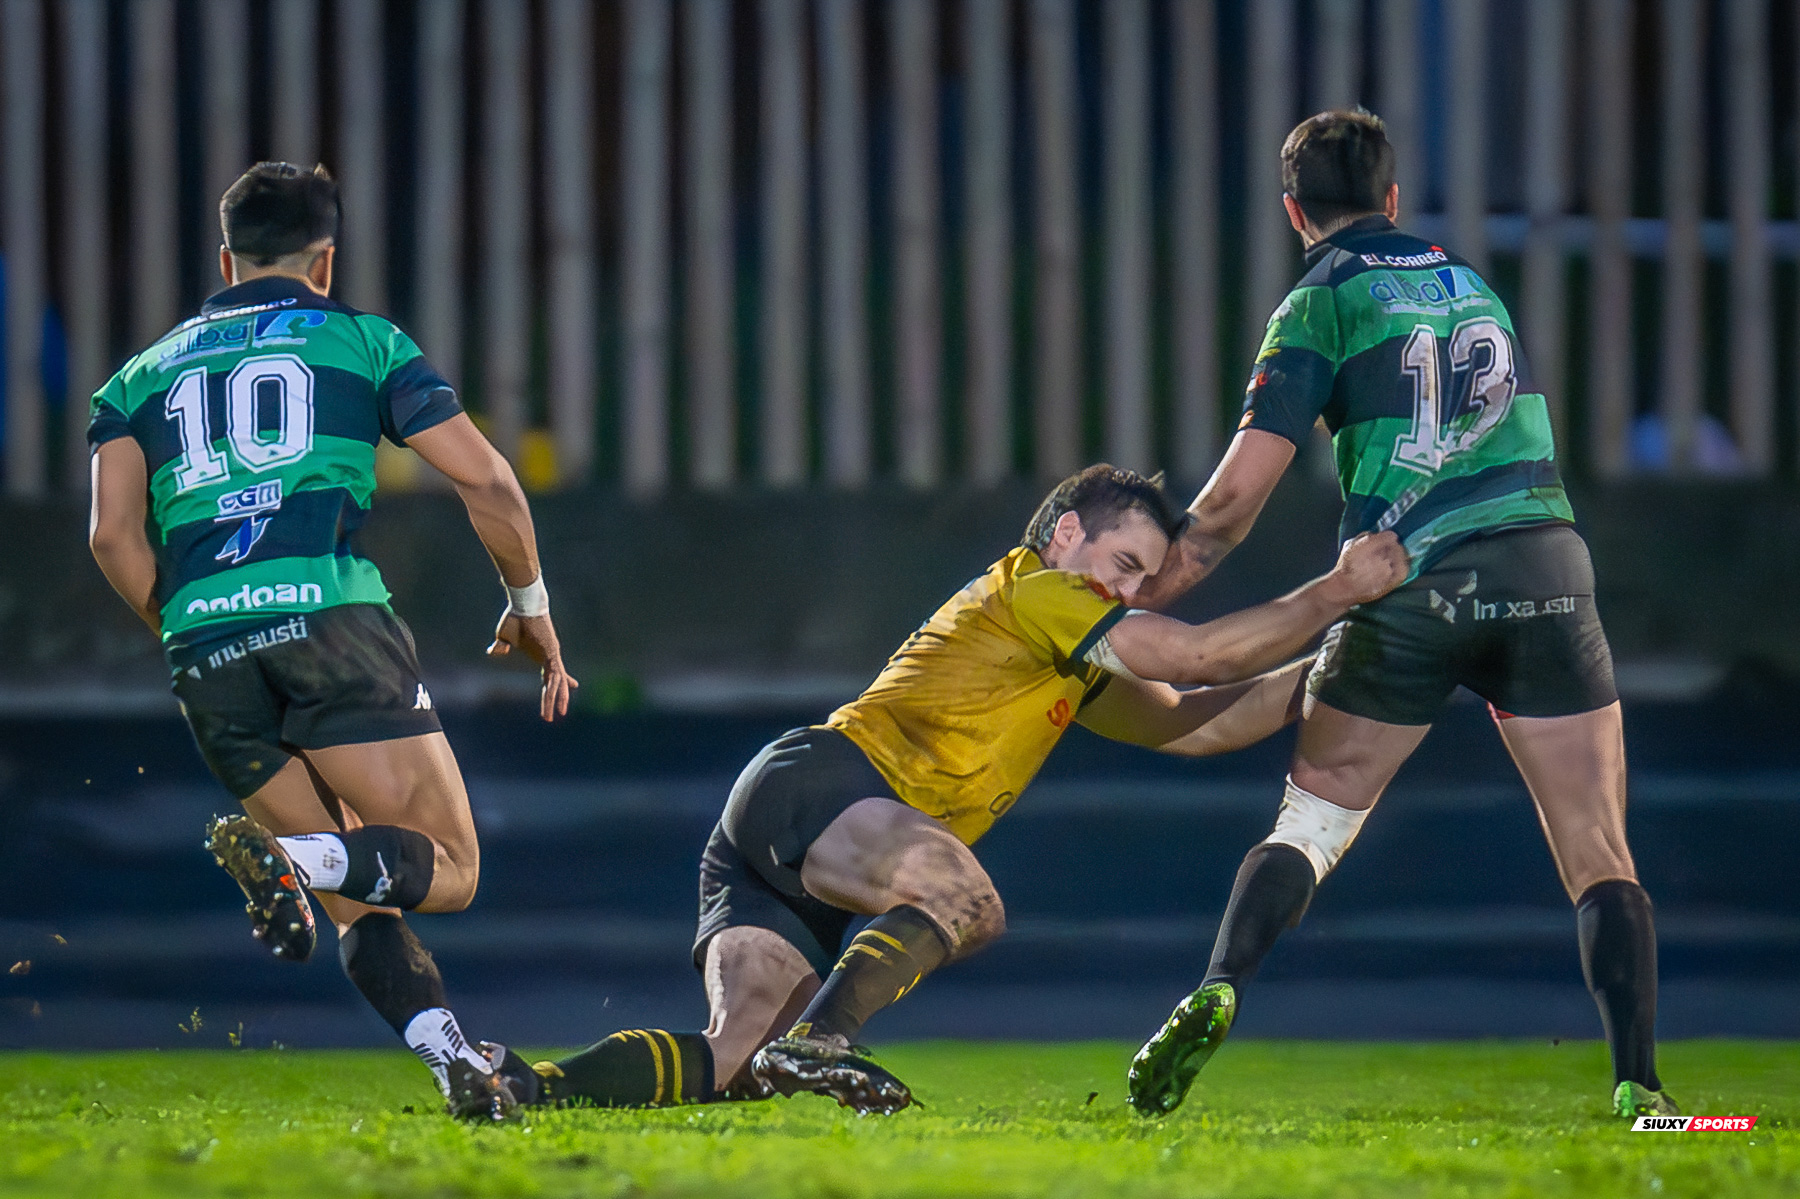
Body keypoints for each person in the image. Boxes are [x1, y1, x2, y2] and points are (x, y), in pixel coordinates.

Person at [496, 465, 1406, 1115]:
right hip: (824, 783)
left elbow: (1193, 718)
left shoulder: (1071, 647)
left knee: (733, 1061)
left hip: (789, 820)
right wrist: (1337, 590)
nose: (1127, 593)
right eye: (1123, 567)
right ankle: (823, 1044)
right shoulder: (1044, 590)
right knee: (966, 900)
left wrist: (1328, 671)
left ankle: (525, 1085)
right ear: (1065, 535)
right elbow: (1198, 654)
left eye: (1138, 580)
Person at [1125, 110, 1675, 1121]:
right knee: (1600, 848)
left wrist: (1155, 576)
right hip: (1547, 564)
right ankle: (1642, 1085)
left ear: (1296, 209)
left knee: (1319, 813)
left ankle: (1219, 983)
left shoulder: (1320, 297)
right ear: (1391, 199)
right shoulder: (1472, 281)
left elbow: (1240, 495)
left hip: (1410, 581)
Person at [86, 163, 577, 1121]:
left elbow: (111, 535)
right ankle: (297, 864)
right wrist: (529, 602)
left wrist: (185, 625)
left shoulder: (136, 378)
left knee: (362, 886)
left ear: (225, 259)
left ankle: (454, 1068)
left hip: (204, 643)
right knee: (449, 862)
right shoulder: (361, 341)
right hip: (328, 618)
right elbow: (488, 484)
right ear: (324, 261)